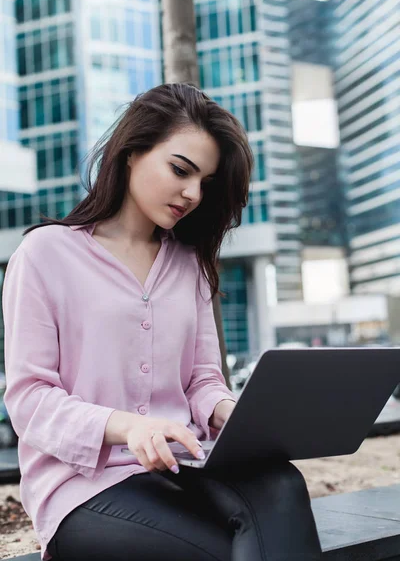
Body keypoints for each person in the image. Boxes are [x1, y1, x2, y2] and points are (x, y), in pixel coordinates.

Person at [3, 83, 322, 561]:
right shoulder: (45, 254)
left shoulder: (188, 264)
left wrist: (222, 410)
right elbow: (29, 401)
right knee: (228, 550)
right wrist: (128, 427)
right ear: (132, 152)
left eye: (205, 183)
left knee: (281, 483)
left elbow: (202, 378)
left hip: (184, 469)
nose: (192, 194)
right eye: (180, 170)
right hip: (85, 487)